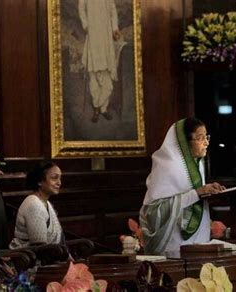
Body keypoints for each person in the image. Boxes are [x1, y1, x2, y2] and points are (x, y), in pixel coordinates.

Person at [139, 117, 225, 254]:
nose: (206, 142)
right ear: (185, 142)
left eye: (206, 137)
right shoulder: (166, 165)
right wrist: (197, 193)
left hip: (200, 242)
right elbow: (154, 211)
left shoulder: (198, 164)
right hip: (173, 247)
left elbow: (197, 195)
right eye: (200, 138)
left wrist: (209, 191)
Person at [78, 0, 122, 123]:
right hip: (92, 36)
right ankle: (98, 109)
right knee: (94, 77)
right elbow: (81, 8)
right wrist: (86, 25)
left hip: (106, 37)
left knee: (107, 80)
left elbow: (113, 10)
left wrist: (115, 28)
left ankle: (101, 108)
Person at [9, 161, 65, 249]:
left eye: (60, 178)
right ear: (39, 181)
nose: (59, 183)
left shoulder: (46, 203)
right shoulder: (34, 205)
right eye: (54, 178)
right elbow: (40, 247)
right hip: (28, 259)